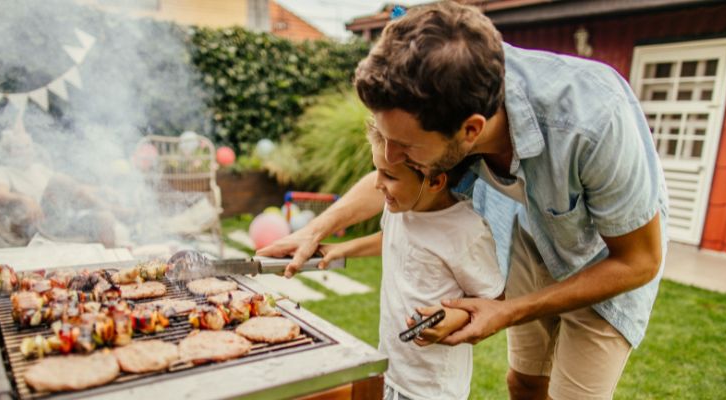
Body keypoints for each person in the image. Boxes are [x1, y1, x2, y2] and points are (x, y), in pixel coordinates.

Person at [258, 2, 668, 399]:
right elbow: (392, 177)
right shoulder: (449, 88)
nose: (391, 157)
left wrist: (508, 311)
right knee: (524, 384)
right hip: (531, 234)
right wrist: (315, 230)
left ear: (471, 130)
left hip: (606, 259)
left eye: (405, 147)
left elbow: (639, 260)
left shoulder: (594, 122)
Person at [318, 125, 504, 400]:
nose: (377, 183)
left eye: (389, 175)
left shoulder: (466, 232)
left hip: (432, 389)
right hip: (391, 369)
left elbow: (494, 299)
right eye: (377, 170)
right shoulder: (399, 207)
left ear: (435, 182)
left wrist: (455, 318)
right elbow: (392, 240)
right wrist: (341, 249)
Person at [0, 129, 128, 247]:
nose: (25, 151)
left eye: (28, 146)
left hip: (58, 220)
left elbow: (73, 188)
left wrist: (101, 189)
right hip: (33, 223)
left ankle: (113, 267)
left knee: (105, 218)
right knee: (59, 179)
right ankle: (112, 208)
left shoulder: (39, 169)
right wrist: (25, 199)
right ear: (9, 151)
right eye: (19, 148)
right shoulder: (3, 171)